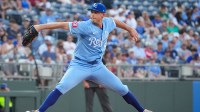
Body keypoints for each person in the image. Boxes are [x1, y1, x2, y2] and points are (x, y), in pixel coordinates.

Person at [30, 3, 151, 112]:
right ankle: (39, 111)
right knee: (61, 87)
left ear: (102, 15)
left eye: (96, 12)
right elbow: (63, 25)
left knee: (122, 88)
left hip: (98, 66)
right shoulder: (84, 26)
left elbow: (115, 21)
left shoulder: (108, 22)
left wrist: (129, 28)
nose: (92, 14)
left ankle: (142, 110)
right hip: (80, 65)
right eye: (91, 12)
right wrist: (39, 27)